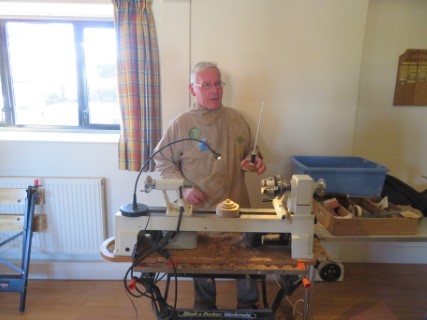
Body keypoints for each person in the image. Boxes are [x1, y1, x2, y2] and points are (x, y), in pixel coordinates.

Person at [153, 61, 267, 310]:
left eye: (217, 84)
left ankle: (249, 309)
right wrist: (183, 188)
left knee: (245, 262)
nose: (214, 90)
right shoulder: (181, 124)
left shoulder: (237, 119)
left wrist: (254, 161)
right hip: (201, 212)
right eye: (206, 85)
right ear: (192, 89)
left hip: (238, 210)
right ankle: (205, 309)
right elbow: (161, 160)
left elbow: (251, 151)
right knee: (202, 267)